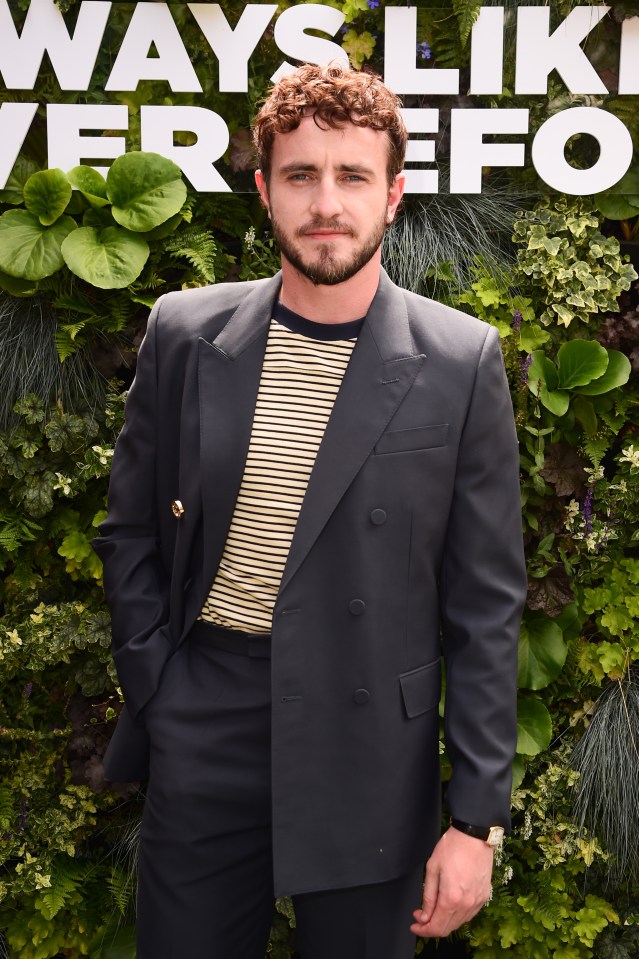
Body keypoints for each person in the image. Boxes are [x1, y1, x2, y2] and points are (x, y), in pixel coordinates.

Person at [94, 62, 527, 959]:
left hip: (369, 742)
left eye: (351, 176)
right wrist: (159, 689)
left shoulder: (458, 360)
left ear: (393, 194)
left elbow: (485, 607)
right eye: (299, 175)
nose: (325, 202)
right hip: (205, 718)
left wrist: (473, 818)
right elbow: (130, 526)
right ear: (263, 190)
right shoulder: (183, 332)